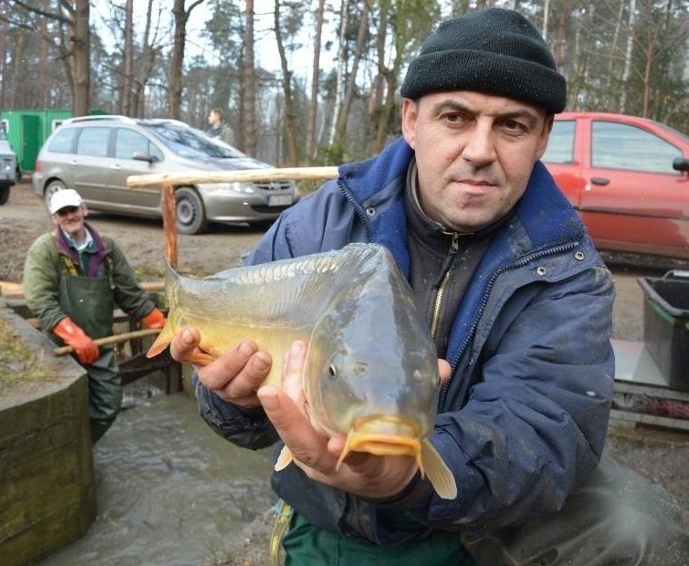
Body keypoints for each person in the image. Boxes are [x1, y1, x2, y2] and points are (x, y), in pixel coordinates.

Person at [168, 7, 689, 565]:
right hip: (328, 509)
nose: (481, 150)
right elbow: (228, 409)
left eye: (511, 124)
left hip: (467, 517)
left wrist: (409, 475)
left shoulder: (566, 271)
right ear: (412, 121)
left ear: (542, 138)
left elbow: (545, 430)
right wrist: (234, 402)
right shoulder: (317, 226)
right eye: (456, 118)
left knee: (642, 529)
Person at [24, 188, 165, 444]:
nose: (69, 216)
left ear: (84, 210)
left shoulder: (107, 248)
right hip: (60, 348)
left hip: (99, 346)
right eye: (62, 213)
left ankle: (84, 446)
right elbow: (39, 299)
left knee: (108, 405)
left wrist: (158, 322)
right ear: (54, 218)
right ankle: (70, 453)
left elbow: (129, 293)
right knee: (62, 411)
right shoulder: (45, 249)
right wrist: (72, 335)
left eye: (73, 210)